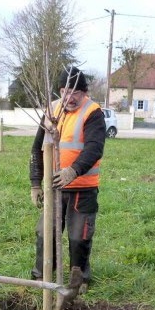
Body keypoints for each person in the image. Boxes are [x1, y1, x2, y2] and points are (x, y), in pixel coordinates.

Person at [29, 66, 106, 294]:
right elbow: (37, 148)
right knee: (45, 233)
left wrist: (73, 171)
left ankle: (78, 280)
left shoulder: (93, 113)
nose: (69, 98)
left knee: (78, 237)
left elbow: (94, 148)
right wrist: (36, 183)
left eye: (76, 93)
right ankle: (42, 276)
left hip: (83, 189)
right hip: (54, 187)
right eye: (65, 91)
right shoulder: (52, 111)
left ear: (84, 93)